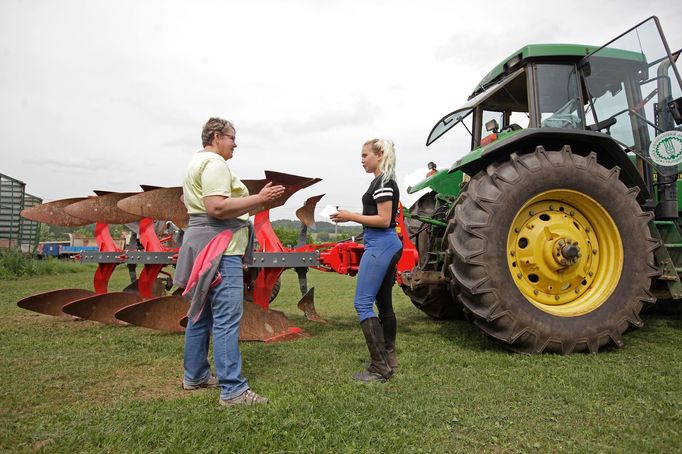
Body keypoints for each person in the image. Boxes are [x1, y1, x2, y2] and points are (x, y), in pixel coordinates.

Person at [174, 117, 285, 406]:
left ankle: (195, 375)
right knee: (225, 319)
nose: (235, 143)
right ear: (216, 136)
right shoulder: (215, 164)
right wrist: (259, 199)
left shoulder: (195, 163)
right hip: (220, 251)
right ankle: (233, 390)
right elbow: (217, 206)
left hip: (203, 246)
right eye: (232, 137)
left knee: (201, 314)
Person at [330, 138, 403, 382]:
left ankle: (379, 366)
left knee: (362, 303)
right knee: (384, 304)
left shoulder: (383, 182)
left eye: (365, 155)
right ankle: (389, 357)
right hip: (386, 243)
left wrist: (350, 216)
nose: (361, 160)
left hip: (381, 243)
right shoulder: (382, 181)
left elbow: (383, 219)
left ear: (379, 154)